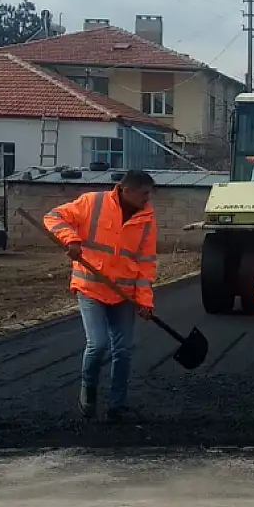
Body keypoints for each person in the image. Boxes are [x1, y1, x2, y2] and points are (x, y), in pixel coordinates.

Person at [43, 169, 158, 421]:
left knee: (124, 350)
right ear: (126, 190)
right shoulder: (92, 202)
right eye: (144, 193)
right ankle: (88, 393)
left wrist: (145, 300)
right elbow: (53, 217)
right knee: (98, 344)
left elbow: (146, 262)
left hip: (124, 295)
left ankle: (117, 406)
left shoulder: (147, 218)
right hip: (91, 287)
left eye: (149, 194)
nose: (148, 199)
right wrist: (71, 239)